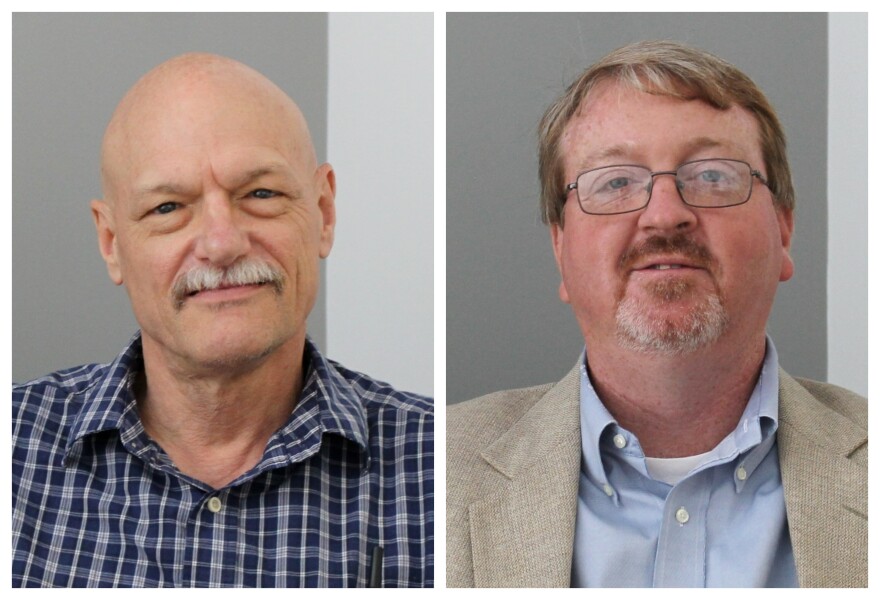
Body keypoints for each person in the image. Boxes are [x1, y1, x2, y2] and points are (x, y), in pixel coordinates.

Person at [446, 41, 866, 588]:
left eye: (712, 176)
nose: (665, 215)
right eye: (616, 182)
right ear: (560, 246)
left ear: (783, 230)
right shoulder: (439, 467)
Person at [12, 53, 433, 588]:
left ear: (324, 212)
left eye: (260, 194)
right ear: (111, 242)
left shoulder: (441, 470)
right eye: (168, 208)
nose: (221, 243)